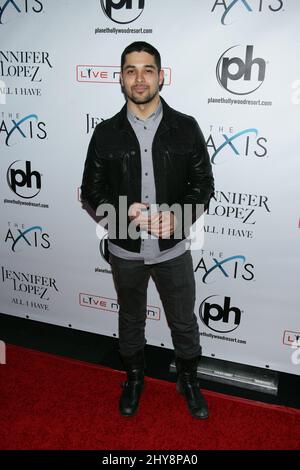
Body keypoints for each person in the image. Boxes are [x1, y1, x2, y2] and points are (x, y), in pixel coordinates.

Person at [81, 42, 214, 419]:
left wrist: (180, 216)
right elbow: (91, 190)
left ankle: (189, 379)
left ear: (161, 75)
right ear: (120, 78)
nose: (140, 78)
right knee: (130, 317)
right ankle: (135, 378)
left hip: (172, 249)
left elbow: (203, 184)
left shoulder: (185, 127)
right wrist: (123, 212)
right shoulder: (105, 133)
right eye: (131, 70)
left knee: (184, 320)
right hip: (125, 250)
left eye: (147, 69)